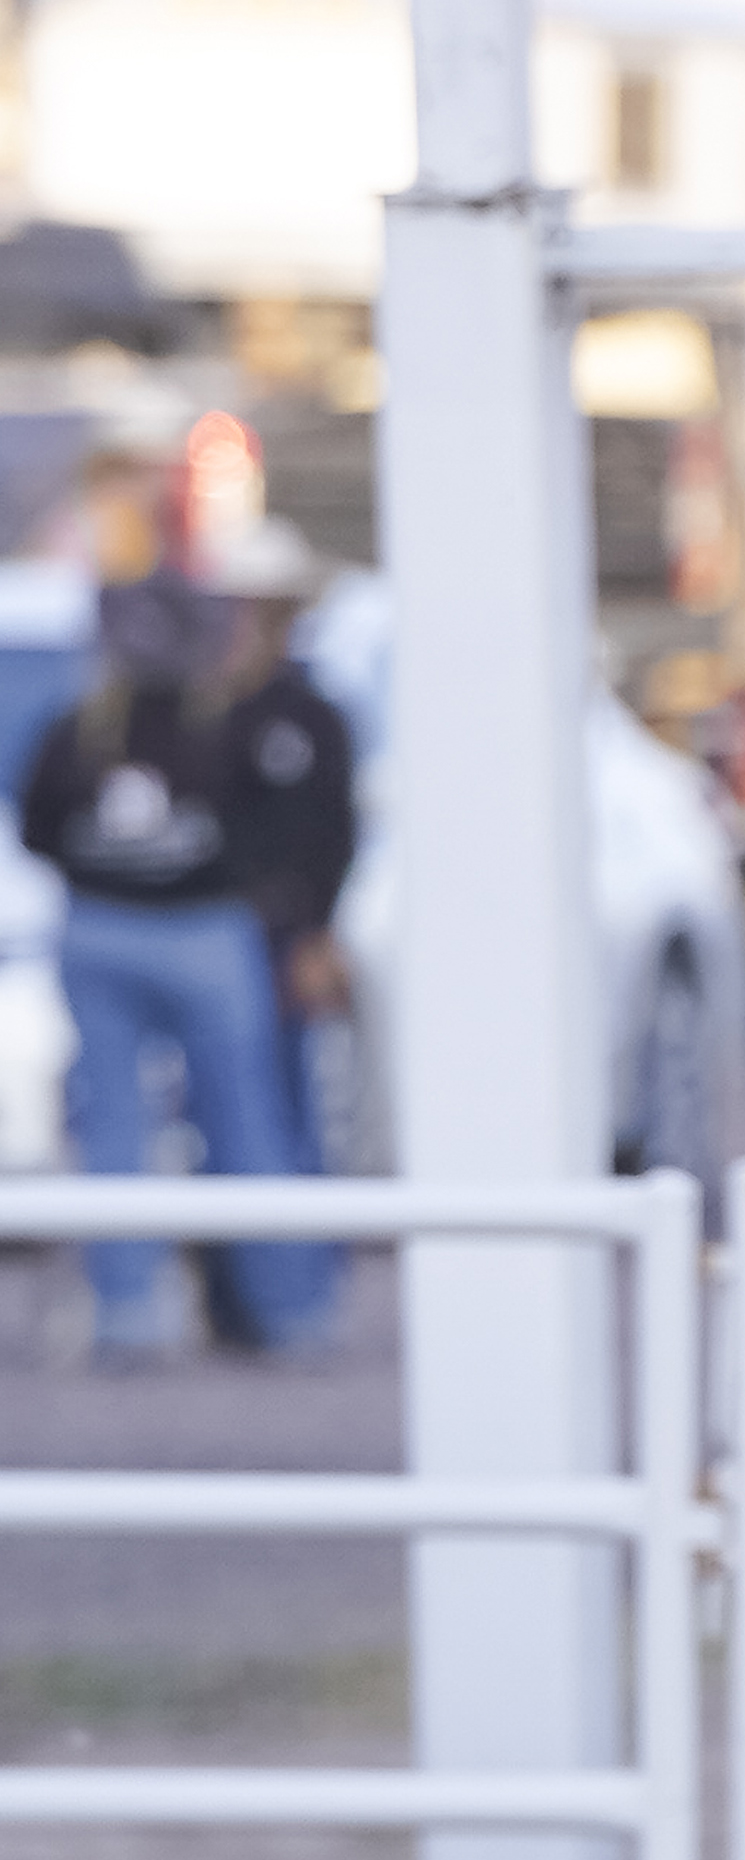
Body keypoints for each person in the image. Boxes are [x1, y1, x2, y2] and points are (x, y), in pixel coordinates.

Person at [19, 530, 355, 1366]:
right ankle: (289, 1314)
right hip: (205, 931)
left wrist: (110, 867)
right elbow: (278, 829)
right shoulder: (230, 722)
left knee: (117, 1126)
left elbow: (35, 824)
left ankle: (133, 1313)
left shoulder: (84, 728)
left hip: (105, 927)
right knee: (243, 1120)